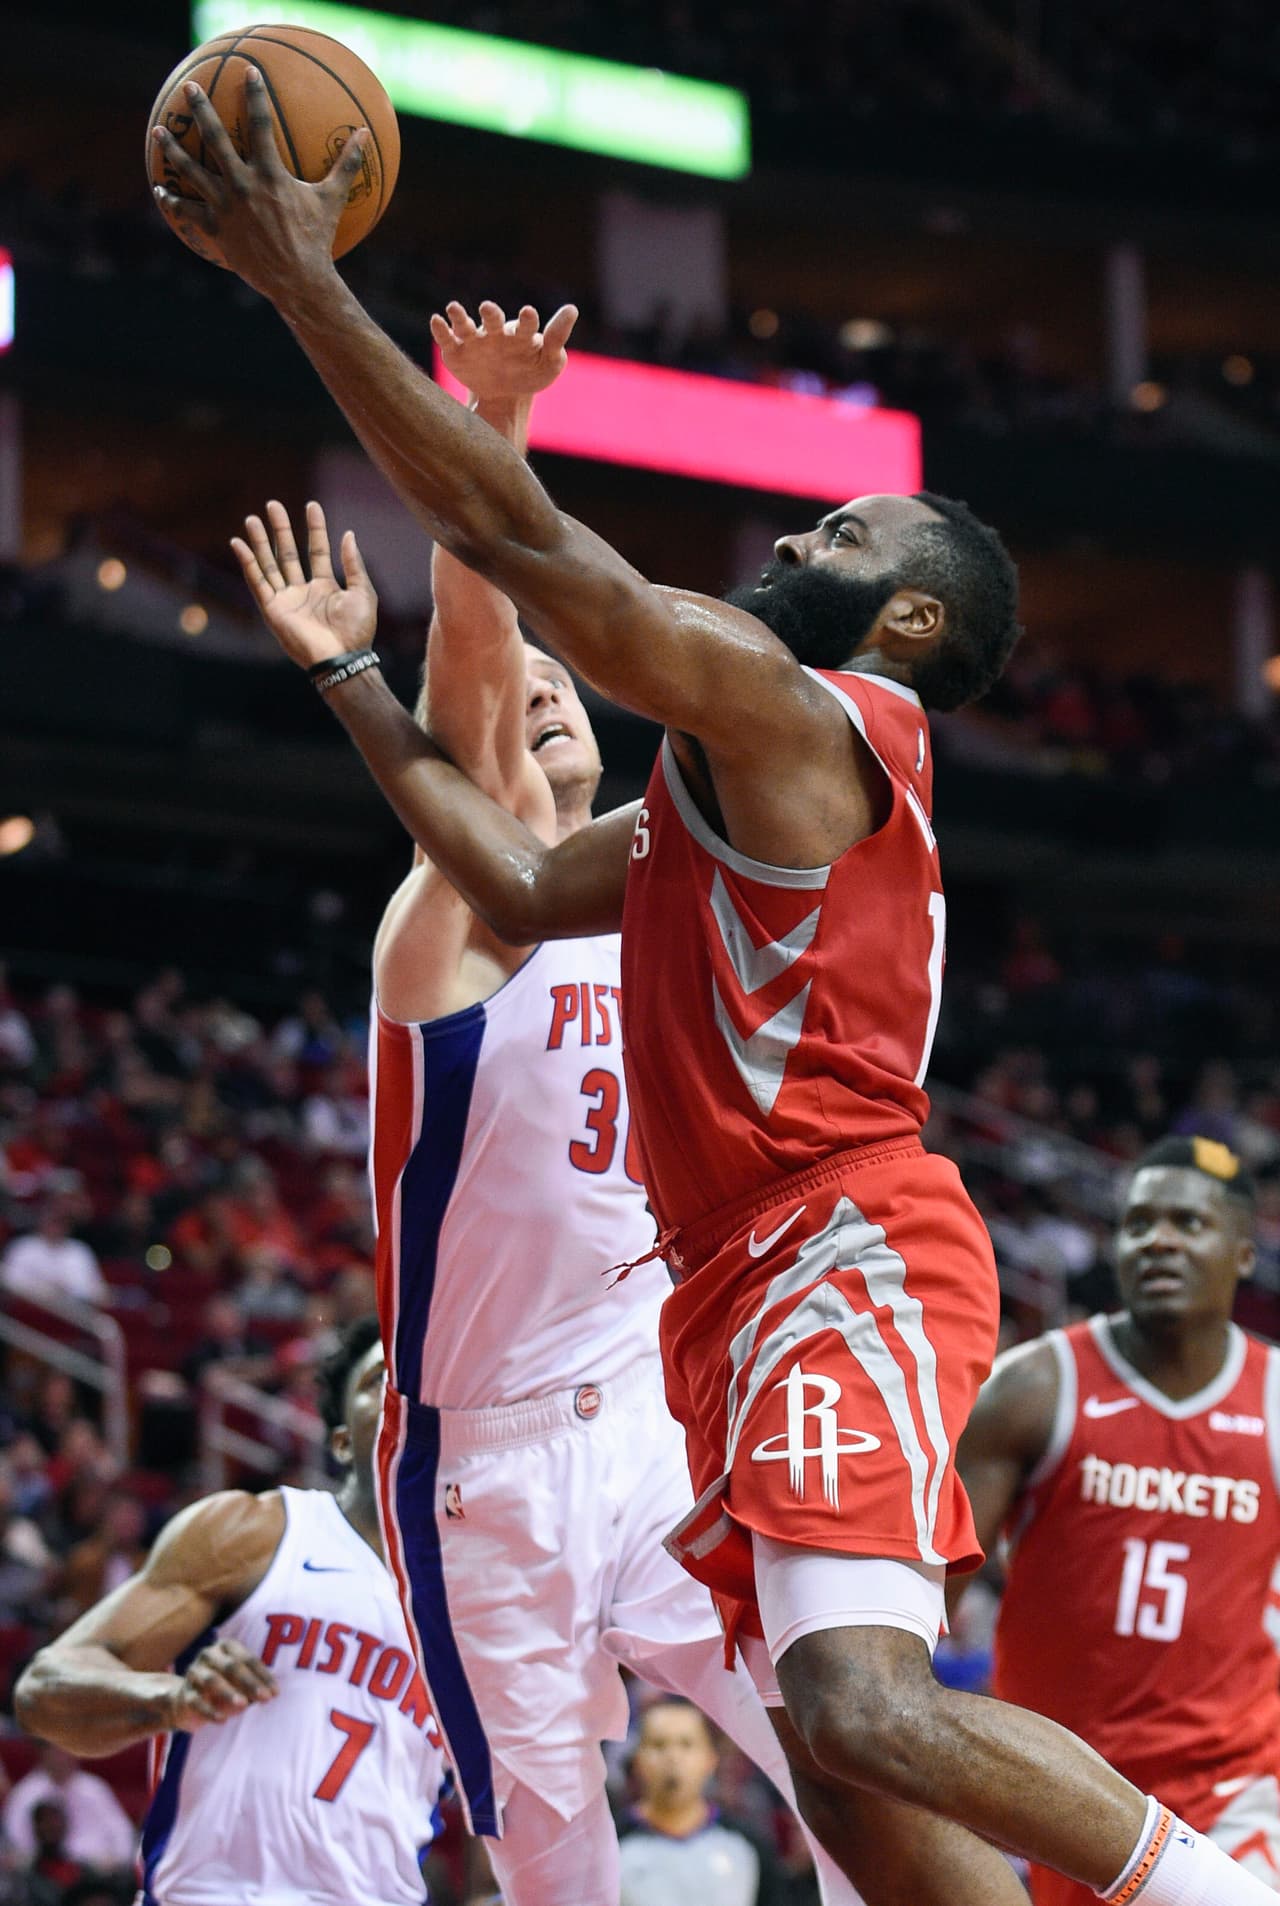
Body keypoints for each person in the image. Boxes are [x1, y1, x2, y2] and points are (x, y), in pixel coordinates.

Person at [159, 85, 1275, 1906]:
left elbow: (536, 558)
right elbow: (511, 880)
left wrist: (300, 279)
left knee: (858, 1700)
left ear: (905, 623)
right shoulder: (704, 789)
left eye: (846, 536)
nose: (805, 540)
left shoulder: (815, 714)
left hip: (840, 1246)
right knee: (842, 1774)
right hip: (730, 1292)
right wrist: (351, 675)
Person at [321, 306, 857, 1906]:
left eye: (574, 682)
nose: (548, 693)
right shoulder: (459, 913)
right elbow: (475, 673)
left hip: (653, 1419)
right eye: (525, 692)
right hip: (479, 1464)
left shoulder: (653, 898)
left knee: (841, 1734)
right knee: (555, 1872)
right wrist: (495, 429)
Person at [14, 1317, 446, 1905]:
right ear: (342, 1438)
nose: (403, 1395)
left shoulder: (484, 1615)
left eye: (418, 1383)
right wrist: (170, 1701)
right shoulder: (259, 1532)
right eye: (380, 1380)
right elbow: (43, 1691)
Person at [955, 1135, 1280, 1900]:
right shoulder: (1031, 1388)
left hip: (1225, 1794)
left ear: (1241, 1253)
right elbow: (922, 1603)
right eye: (1138, 1223)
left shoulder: (1274, 1403)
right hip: (1047, 1792)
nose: (1158, 1240)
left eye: (1187, 1224)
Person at [619, 1696, 785, 1906]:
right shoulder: (611, 1847)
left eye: (686, 1744)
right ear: (637, 1761)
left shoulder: (749, 1845)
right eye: (659, 1745)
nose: (673, 1757)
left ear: (710, 1759)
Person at [0, 1746, 135, 1872]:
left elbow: (122, 1832)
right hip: (43, 1871)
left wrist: (119, 1861)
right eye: (56, 1752)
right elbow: (13, 1840)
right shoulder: (25, 1793)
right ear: (43, 1754)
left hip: (94, 1870)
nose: (61, 1758)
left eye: (65, 1752)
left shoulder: (95, 1788)